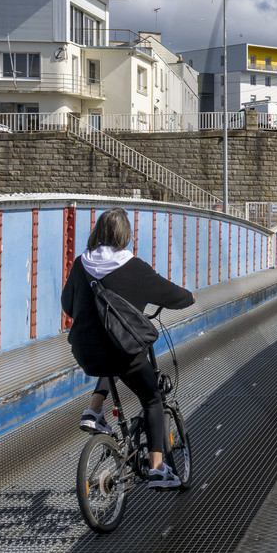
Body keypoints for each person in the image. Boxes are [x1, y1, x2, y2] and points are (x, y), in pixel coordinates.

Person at [61, 208, 195, 489]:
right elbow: (172, 295)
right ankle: (158, 469)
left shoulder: (80, 264)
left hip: (85, 350)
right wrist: (187, 297)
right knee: (152, 398)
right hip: (122, 353)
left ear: (97, 232)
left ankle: (93, 411)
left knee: (110, 356)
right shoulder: (134, 267)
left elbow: (67, 305)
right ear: (125, 236)